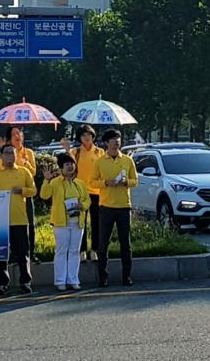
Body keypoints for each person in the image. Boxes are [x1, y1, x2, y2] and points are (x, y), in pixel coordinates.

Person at [0, 144, 37, 296]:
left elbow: (34, 190)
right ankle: (2, 284)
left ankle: (25, 282)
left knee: (23, 253)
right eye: (7, 153)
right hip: (1, 220)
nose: (10, 156)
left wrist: (23, 191)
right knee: (1, 255)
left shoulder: (24, 171)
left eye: (12, 153)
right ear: (1, 156)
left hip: (20, 219)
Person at [91, 129, 138, 287]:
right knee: (103, 244)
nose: (117, 141)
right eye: (113, 139)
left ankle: (127, 276)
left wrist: (126, 183)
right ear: (106, 143)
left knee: (126, 244)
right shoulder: (99, 161)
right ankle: (103, 277)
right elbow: (92, 182)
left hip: (124, 206)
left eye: (118, 139)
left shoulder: (127, 160)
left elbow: (135, 180)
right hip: (106, 207)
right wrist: (106, 183)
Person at [41, 153, 91, 291]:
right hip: (61, 223)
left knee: (75, 251)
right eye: (67, 164)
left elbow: (87, 200)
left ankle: (73, 279)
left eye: (72, 164)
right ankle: (60, 281)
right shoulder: (56, 182)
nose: (70, 167)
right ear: (61, 168)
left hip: (77, 222)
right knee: (61, 251)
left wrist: (83, 206)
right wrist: (47, 180)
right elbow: (44, 195)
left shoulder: (80, 183)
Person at [64, 124, 105, 262]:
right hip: (79, 192)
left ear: (93, 136)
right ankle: (82, 250)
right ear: (79, 138)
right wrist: (67, 150)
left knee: (96, 223)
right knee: (80, 222)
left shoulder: (100, 152)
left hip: (97, 192)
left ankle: (94, 250)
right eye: (83, 135)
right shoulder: (76, 152)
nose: (86, 138)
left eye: (89, 135)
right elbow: (68, 168)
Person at [1, 127, 39, 263]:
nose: (17, 136)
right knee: (10, 225)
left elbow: (33, 172)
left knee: (29, 223)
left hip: (25, 194)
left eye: (19, 133)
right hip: (10, 196)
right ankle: (13, 254)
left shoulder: (28, 152)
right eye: (13, 134)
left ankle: (31, 252)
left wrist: (26, 163)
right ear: (9, 138)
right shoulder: (6, 152)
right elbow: (2, 169)